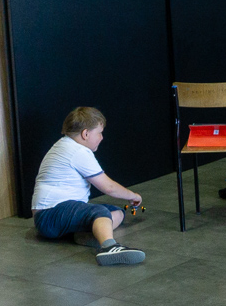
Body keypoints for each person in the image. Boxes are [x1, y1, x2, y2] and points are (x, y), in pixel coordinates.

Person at [31, 107, 146, 266]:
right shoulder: (77, 151)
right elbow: (108, 187)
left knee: (117, 212)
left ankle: (86, 236)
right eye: (99, 133)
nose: (102, 137)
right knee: (99, 212)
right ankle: (109, 247)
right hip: (49, 215)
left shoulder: (65, 145)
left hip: (53, 215)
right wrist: (133, 196)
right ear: (85, 134)